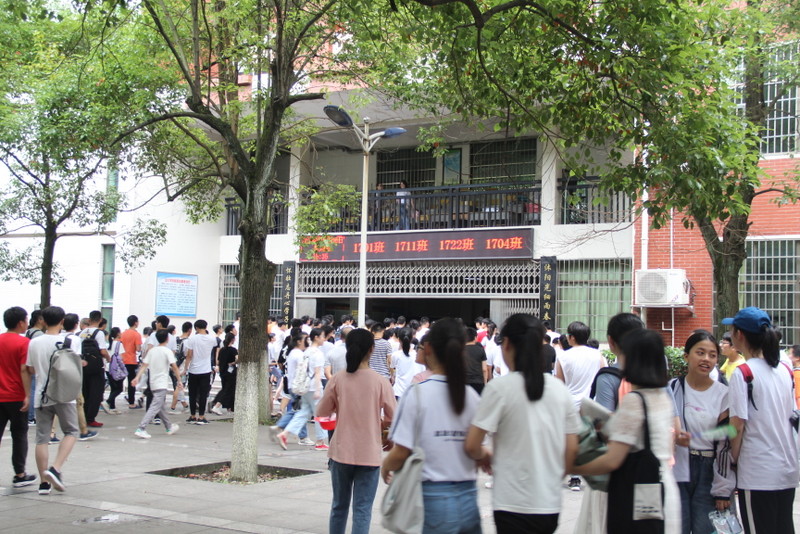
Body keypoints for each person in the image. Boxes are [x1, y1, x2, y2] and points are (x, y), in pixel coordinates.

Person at [465, 314, 581, 534]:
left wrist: (487, 455)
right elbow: (572, 449)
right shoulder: (559, 390)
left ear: (507, 344)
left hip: (510, 502)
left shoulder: (499, 389)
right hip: (549, 503)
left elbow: (472, 445)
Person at [571, 329, 681, 534]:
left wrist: (571, 466)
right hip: (662, 488)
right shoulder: (662, 397)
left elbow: (612, 460)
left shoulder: (634, 400)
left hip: (638, 492)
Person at [382, 318, 483, 534]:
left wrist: (385, 466)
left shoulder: (417, 393)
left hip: (433, 496)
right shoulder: (472, 396)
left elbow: (401, 451)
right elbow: (475, 449)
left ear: (428, 348)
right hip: (468, 496)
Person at [724, 307, 798, 534]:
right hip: (787, 468)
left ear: (740, 335)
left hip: (758, 471)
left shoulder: (743, 372)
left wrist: (733, 460)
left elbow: (737, 425)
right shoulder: (784, 369)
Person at [317, 329, 396, 534]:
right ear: (372, 349)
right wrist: (383, 427)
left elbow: (322, 412)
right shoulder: (381, 381)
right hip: (369, 452)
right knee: (362, 509)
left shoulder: (337, 379)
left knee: (339, 506)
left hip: (341, 451)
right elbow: (393, 417)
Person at [576, 312, 644, 534]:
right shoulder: (656, 377)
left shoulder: (609, 377)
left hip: (613, 469)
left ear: (611, 342)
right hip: (648, 468)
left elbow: (604, 424)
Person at [670, 331, 734, 534]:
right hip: (677, 468)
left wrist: (723, 489)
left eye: (712, 355)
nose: (706, 359)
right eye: (700, 353)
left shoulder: (724, 394)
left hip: (709, 471)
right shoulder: (672, 388)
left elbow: (725, 444)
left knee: (704, 529)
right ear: (686, 356)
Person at [26, 306, 79, 496]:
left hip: (42, 395)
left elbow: (30, 369)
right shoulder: (71, 340)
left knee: (42, 438)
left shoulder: (34, 342)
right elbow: (76, 367)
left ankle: (43, 484)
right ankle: (55, 469)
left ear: (43, 321)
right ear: (62, 321)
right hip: (65, 394)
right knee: (72, 431)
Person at [555, 320, 607, 491]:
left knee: (570, 439)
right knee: (590, 440)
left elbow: (559, 383)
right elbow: (603, 378)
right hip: (592, 404)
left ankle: (574, 477)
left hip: (570, 403)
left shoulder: (563, 356)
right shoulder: (598, 356)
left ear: (571, 337)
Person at [0, 306, 36, 487]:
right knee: (19, 434)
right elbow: (25, 369)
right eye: (26, 320)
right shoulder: (24, 343)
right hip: (16, 395)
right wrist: (27, 395)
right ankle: (20, 474)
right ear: (21, 322)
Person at [277, 328, 327, 450]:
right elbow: (317, 372)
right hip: (314, 387)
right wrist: (318, 389)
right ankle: (320, 441)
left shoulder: (306, 352)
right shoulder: (318, 353)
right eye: (322, 336)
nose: (324, 339)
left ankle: (285, 433)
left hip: (304, 386)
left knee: (303, 412)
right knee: (319, 413)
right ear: (316, 337)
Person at [131, 329, 182, 439]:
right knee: (155, 406)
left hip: (153, 382)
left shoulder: (152, 351)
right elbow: (174, 367)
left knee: (160, 406)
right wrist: (179, 380)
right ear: (167, 339)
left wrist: (137, 377)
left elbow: (144, 365)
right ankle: (141, 428)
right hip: (161, 383)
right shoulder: (167, 351)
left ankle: (169, 426)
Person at [80, 310, 111, 428]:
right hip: (96, 366)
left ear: (89, 320)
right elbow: (102, 351)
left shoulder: (82, 332)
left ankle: (83, 416)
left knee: (85, 391)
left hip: (84, 365)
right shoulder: (99, 333)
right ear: (100, 320)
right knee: (96, 392)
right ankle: (91, 418)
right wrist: (108, 358)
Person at [183, 319, 217, 425]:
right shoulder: (212, 339)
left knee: (192, 394)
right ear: (206, 327)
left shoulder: (192, 339)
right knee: (203, 394)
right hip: (206, 370)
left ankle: (193, 415)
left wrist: (185, 368)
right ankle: (201, 416)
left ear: (196, 328)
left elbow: (189, 355)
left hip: (193, 370)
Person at [390, 329, 423, 399]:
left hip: (399, 391)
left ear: (399, 339)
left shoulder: (396, 355)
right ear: (412, 338)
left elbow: (391, 368)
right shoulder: (417, 355)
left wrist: (393, 376)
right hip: (415, 392)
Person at [210, 333, 237, 415]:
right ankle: (217, 406)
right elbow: (238, 359)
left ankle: (230, 408)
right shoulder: (233, 350)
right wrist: (233, 363)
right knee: (227, 390)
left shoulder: (222, 350)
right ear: (232, 340)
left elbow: (218, 361)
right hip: (231, 373)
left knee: (227, 389)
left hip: (223, 372)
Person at [120, 315, 142, 410]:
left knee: (119, 380)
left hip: (122, 359)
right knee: (131, 382)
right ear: (135, 323)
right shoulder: (136, 334)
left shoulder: (123, 333)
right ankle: (131, 403)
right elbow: (138, 349)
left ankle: (111, 401)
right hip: (131, 360)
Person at [103, 327, 125, 414]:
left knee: (113, 388)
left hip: (108, 368)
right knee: (119, 389)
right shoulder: (119, 344)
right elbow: (121, 357)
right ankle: (107, 402)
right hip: (116, 369)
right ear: (118, 334)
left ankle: (112, 407)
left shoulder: (108, 344)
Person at [464, 327, 488, 394]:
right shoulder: (480, 350)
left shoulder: (460, 350)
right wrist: (485, 383)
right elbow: (484, 369)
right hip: (478, 382)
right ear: (475, 338)